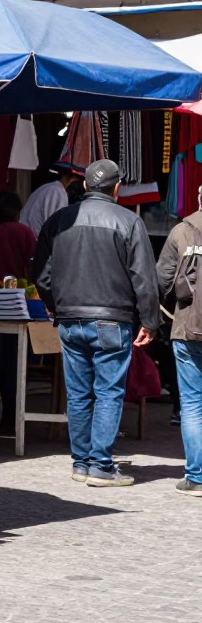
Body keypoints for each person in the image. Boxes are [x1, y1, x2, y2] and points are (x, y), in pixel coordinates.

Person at [31, 159, 159, 487]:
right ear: (117, 189)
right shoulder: (129, 221)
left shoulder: (59, 220)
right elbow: (144, 277)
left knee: (78, 394)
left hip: (70, 318)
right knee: (108, 392)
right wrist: (150, 320)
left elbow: (40, 273)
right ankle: (100, 466)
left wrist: (54, 304)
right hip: (112, 320)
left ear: (86, 186)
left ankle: (81, 462)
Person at [154, 188, 202, 497]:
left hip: (188, 329)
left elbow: (161, 280)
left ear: (199, 199)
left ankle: (196, 477)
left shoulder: (182, 231)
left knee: (193, 404)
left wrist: (150, 318)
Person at [0, 192, 37, 431]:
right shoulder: (24, 233)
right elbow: (34, 265)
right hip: (17, 306)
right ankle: (12, 419)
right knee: (14, 366)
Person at [20, 162, 84, 234]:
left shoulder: (48, 188)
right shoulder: (57, 192)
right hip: (35, 240)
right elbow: (57, 228)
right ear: (70, 175)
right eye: (79, 178)